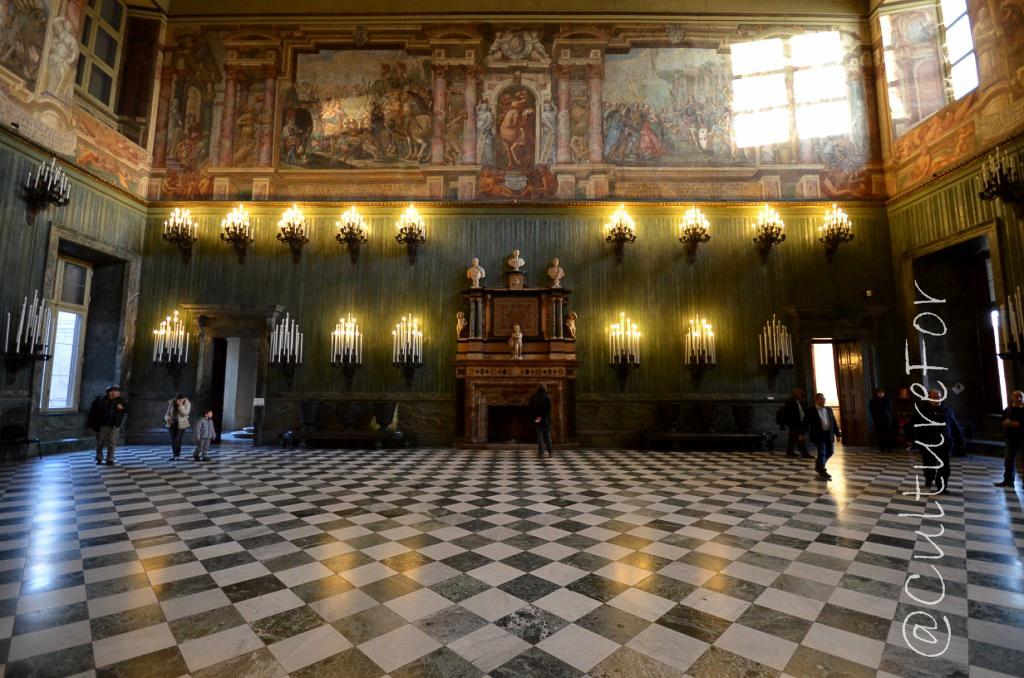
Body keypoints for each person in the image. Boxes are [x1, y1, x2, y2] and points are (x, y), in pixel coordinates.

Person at [905, 389, 963, 494]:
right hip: (927, 442)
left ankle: (942, 486)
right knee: (929, 463)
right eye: (935, 398)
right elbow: (912, 425)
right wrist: (909, 438)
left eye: (939, 397)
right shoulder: (922, 411)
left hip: (944, 443)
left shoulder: (947, 411)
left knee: (945, 466)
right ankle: (929, 478)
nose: (937, 400)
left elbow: (954, 426)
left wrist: (960, 439)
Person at [803, 393, 841, 480]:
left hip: (828, 434)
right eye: (821, 399)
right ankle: (822, 470)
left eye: (824, 399)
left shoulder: (829, 409)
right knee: (822, 452)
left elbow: (833, 422)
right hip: (818, 435)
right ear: (816, 400)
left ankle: (819, 463)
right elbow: (805, 422)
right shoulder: (810, 410)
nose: (823, 400)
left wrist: (837, 434)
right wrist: (801, 433)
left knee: (830, 452)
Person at [87, 386, 127, 465]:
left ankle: (110, 459)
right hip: (102, 424)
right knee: (100, 442)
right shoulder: (99, 400)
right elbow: (92, 413)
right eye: (115, 391)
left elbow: (127, 409)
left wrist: (122, 408)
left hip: (114, 425)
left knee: (112, 443)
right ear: (110, 392)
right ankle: (99, 458)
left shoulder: (120, 400)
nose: (117, 393)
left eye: (118, 392)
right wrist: (90, 425)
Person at [995, 389, 1024, 487]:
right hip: (1011, 437)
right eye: (1016, 396)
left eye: (1020, 397)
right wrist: (1007, 424)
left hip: (1022, 437)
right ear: (1012, 398)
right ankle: (1008, 480)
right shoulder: (1008, 410)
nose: (1019, 398)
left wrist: (1018, 425)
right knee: (1008, 460)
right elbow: (1002, 421)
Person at [781, 388, 813, 459]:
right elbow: (787, 414)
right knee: (799, 438)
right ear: (795, 394)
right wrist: (789, 422)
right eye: (800, 394)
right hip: (795, 423)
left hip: (799, 422)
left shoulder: (799, 402)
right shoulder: (791, 402)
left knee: (792, 438)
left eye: (802, 394)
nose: (801, 395)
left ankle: (789, 451)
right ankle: (804, 453)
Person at [529, 383, 554, 458]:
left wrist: (536, 417)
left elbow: (530, 409)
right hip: (546, 420)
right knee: (548, 436)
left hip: (537, 419)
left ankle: (541, 453)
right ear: (545, 388)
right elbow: (549, 409)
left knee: (539, 436)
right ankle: (550, 453)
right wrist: (542, 417)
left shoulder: (533, 397)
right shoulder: (547, 396)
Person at [164, 392, 191, 462]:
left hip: (182, 424)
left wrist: (180, 406)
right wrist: (168, 419)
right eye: (178, 400)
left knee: (177, 439)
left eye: (182, 400)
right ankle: (175, 455)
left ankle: (177, 455)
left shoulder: (187, 403)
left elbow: (185, 414)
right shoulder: (172, 403)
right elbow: (167, 414)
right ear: (176, 399)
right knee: (174, 440)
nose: (180, 401)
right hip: (172, 424)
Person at [869, 387, 894, 453]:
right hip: (878, 419)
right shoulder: (873, 401)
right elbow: (872, 410)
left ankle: (888, 447)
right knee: (879, 434)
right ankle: (881, 448)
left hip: (887, 419)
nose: (881, 394)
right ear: (877, 393)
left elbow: (890, 409)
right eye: (879, 393)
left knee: (887, 433)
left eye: (882, 392)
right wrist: (876, 416)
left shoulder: (888, 400)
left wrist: (887, 415)